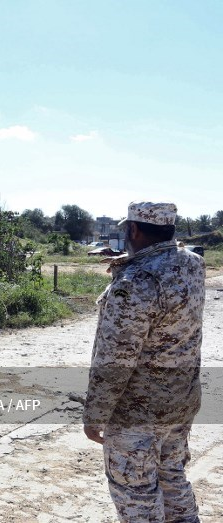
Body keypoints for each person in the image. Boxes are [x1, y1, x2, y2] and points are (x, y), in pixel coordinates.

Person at [83, 201, 205, 523]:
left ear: (133, 229)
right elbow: (167, 269)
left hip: (138, 413)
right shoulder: (193, 264)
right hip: (181, 402)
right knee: (172, 477)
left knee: (137, 493)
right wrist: (129, 264)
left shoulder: (134, 282)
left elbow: (115, 361)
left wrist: (95, 414)